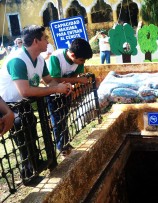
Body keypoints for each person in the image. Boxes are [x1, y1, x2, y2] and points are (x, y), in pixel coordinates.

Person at [0, 25, 72, 180]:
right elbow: (25, 91)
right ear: (35, 41)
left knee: (31, 127)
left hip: (22, 104)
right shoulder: (18, 60)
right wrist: (55, 89)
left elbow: (48, 81)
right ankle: (28, 174)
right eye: (44, 38)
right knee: (23, 132)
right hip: (7, 105)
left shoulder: (39, 59)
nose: (47, 40)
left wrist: (62, 87)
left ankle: (37, 164)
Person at [47, 38, 93, 155]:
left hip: (66, 93)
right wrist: (77, 80)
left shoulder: (79, 63)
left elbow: (75, 76)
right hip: (53, 94)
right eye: (81, 60)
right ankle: (61, 147)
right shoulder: (56, 57)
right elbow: (55, 79)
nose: (83, 62)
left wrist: (73, 82)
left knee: (65, 118)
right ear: (72, 55)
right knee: (58, 121)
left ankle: (65, 143)